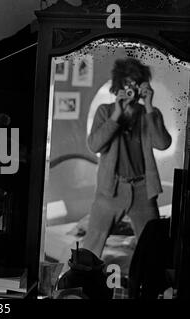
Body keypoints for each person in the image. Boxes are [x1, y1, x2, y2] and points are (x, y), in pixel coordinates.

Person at [81, 57, 171, 257]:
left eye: (135, 83)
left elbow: (163, 143)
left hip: (142, 190)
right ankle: (81, 285)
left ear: (141, 87)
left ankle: (153, 287)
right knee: (90, 248)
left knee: (154, 249)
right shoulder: (105, 112)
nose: (131, 88)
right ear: (118, 85)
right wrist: (117, 115)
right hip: (110, 190)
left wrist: (149, 106)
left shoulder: (149, 113)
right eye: (126, 83)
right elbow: (94, 145)